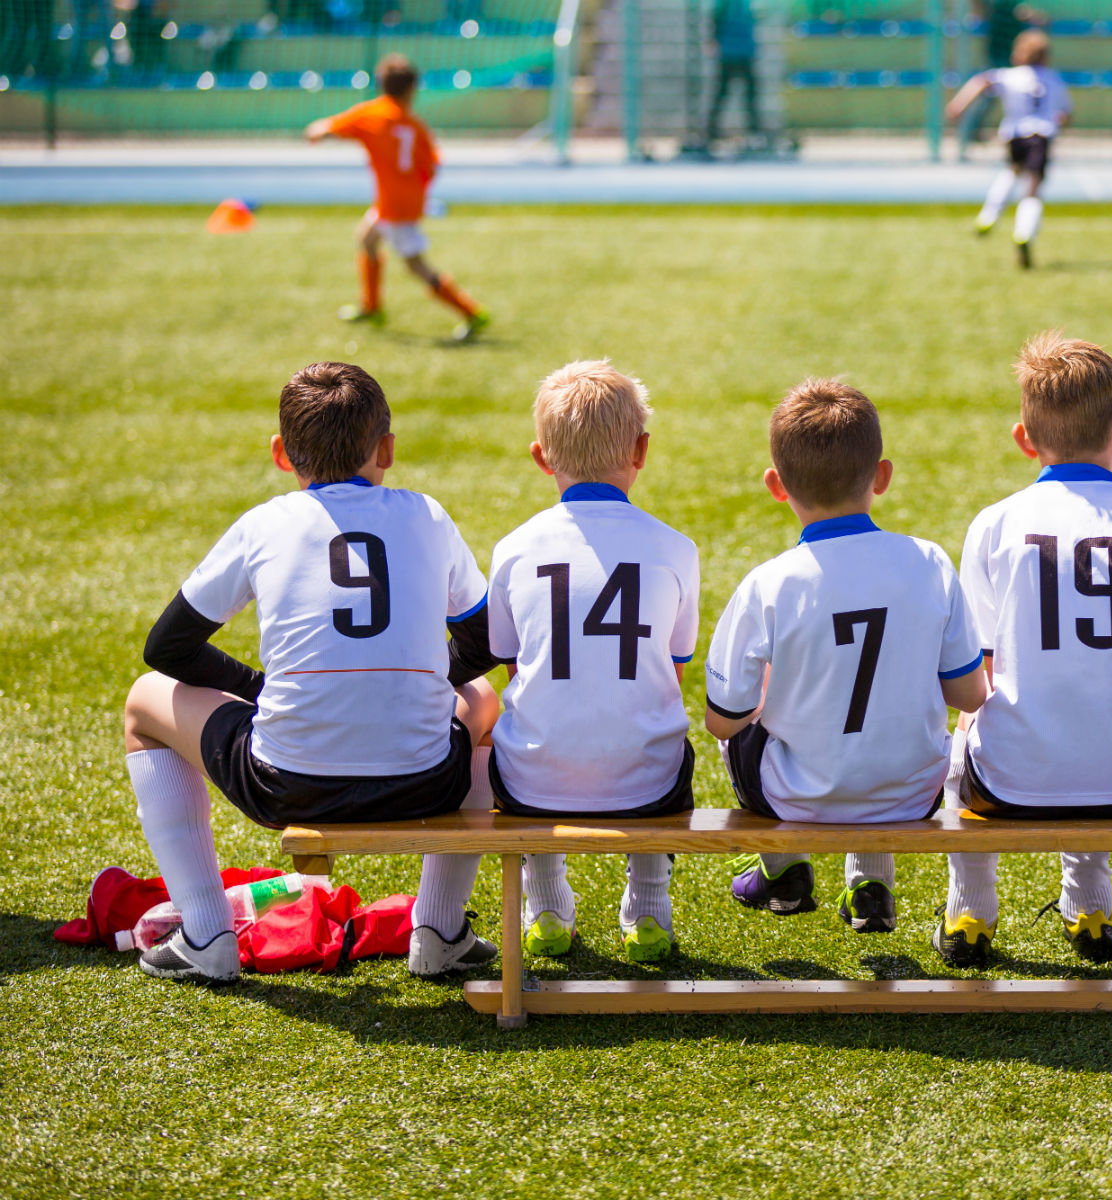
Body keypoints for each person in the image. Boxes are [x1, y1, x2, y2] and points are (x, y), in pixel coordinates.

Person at [120, 362, 501, 984]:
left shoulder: (264, 523)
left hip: (286, 783)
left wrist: (258, 688)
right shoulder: (427, 515)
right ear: (387, 450)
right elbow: (488, 638)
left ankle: (206, 934)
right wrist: (435, 681)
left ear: (280, 453)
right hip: (427, 781)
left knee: (143, 703)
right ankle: (440, 930)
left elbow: (168, 646)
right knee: (483, 700)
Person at [940, 333, 1112, 967]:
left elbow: (976, 674)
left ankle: (970, 914)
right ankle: (1088, 903)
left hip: (1011, 779)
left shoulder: (995, 523)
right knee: (1100, 708)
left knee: (958, 753)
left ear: (1024, 438)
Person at [705, 380, 988, 935]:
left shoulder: (768, 583)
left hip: (798, 797)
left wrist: (766, 701)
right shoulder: (930, 562)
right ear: (881, 476)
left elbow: (722, 720)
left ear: (776, 486)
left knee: (741, 712)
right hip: (914, 793)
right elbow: (969, 695)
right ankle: (870, 883)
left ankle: (783, 867)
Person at [484, 361, 701, 964]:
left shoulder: (515, 547)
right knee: (661, 726)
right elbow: (673, 672)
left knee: (517, 723)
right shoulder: (675, 547)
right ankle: (648, 907)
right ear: (642, 450)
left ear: (541, 457)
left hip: (534, 784)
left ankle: (546, 907)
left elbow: (512, 668)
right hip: (647, 785)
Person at [305, 54, 490, 342]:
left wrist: (318, 133)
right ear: (411, 89)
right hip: (401, 203)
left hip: (394, 209)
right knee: (367, 239)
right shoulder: (414, 125)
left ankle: (472, 313)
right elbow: (432, 165)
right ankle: (373, 306)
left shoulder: (372, 113)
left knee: (417, 265)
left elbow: (325, 128)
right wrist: (416, 189)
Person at [944, 30, 1071, 268]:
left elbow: (981, 81)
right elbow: (1066, 113)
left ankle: (988, 216)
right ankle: (1024, 233)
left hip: (1015, 135)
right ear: (1045, 56)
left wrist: (959, 105)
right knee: (1032, 188)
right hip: (1041, 136)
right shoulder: (1053, 79)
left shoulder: (1010, 76)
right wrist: (1059, 120)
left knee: (1012, 170)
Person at [953, 0, 1043, 157]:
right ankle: (970, 132)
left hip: (1013, 58)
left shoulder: (1014, 6)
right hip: (998, 55)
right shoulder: (997, 5)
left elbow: (1035, 17)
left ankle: (1022, 133)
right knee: (987, 95)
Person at [704, 0, 761, 151]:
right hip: (730, 51)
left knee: (749, 94)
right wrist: (714, 40)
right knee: (724, 93)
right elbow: (715, 18)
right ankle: (711, 131)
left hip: (743, 50)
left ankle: (754, 132)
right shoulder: (726, 4)